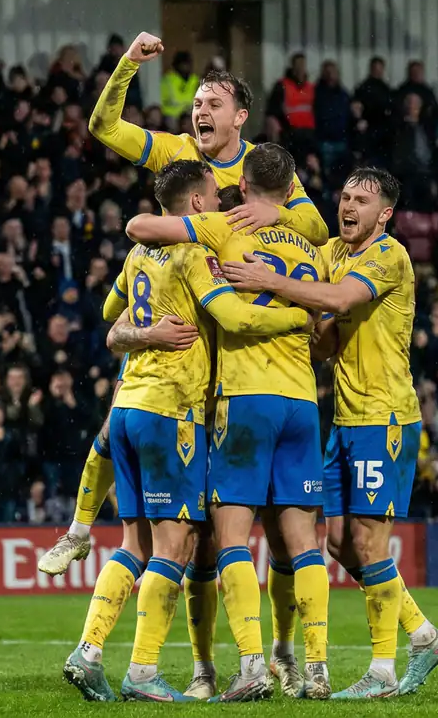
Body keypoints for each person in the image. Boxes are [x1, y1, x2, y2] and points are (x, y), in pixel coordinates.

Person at [54, 161, 309, 703]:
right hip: (172, 412)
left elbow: (109, 317)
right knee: (176, 545)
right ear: (195, 204)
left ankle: (90, 650)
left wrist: (144, 329)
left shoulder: (137, 254)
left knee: (134, 544)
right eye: (215, 196)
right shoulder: (195, 255)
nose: (220, 204)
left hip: (126, 409)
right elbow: (236, 320)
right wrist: (297, 317)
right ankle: (143, 671)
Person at [222, 167, 438, 699]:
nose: (348, 207)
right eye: (345, 197)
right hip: (344, 419)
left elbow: (341, 300)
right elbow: (324, 339)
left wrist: (270, 283)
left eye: (362, 200)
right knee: (340, 545)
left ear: (385, 214)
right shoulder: (330, 252)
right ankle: (422, 634)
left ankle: (383, 670)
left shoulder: (388, 255)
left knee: (371, 545)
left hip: (385, 416)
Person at [116, 144, 334, 699]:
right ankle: (315, 667)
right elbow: (328, 300)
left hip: (241, 398)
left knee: (227, 536)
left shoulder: (220, 226)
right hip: (304, 401)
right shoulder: (314, 240)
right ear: (290, 190)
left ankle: (250, 665)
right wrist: (302, 313)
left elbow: (143, 225)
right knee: (301, 542)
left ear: (241, 185)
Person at [87, 32, 328, 246]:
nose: (201, 112)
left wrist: (276, 214)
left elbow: (318, 231)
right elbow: (105, 128)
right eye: (197, 104)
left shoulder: (266, 165)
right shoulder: (173, 150)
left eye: (214, 105)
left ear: (239, 117)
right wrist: (128, 62)